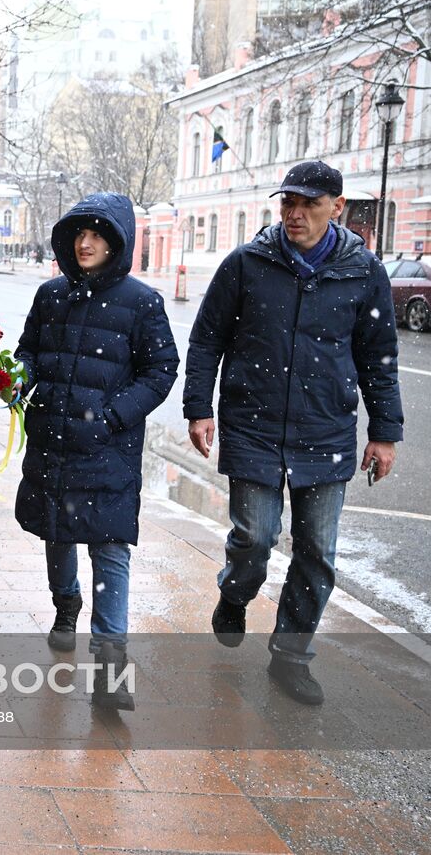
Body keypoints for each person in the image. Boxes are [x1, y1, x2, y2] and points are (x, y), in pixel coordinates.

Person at [184, 160, 402, 706]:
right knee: (254, 539)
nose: (295, 214)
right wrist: (199, 408)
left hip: (326, 431)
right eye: (288, 204)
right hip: (253, 426)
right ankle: (235, 594)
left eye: (308, 204)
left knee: (316, 553)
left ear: (337, 208)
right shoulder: (247, 264)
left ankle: (290, 657)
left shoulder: (364, 272)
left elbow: (379, 358)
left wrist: (384, 433)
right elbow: (207, 338)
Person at [15, 193, 178, 711]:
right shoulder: (49, 295)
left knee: (110, 548)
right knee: (56, 531)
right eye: (79, 234)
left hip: (108, 449)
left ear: (116, 242)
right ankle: (66, 605)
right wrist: (14, 378)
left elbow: (161, 371)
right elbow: (29, 353)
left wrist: (112, 416)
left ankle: (110, 667)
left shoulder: (142, 302)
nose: (85, 243)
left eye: (98, 234)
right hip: (54, 441)